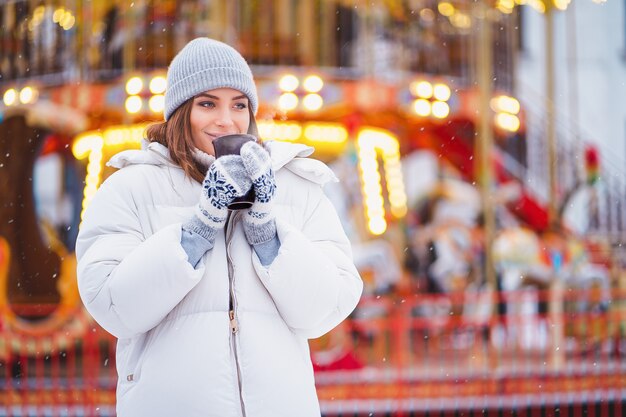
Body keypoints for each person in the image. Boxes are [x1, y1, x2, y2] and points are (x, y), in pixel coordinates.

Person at [76, 38, 363, 417]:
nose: (226, 120)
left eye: (239, 104)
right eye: (207, 103)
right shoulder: (131, 187)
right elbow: (115, 308)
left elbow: (325, 310)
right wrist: (198, 226)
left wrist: (267, 232)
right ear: (181, 111)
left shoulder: (298, 187)